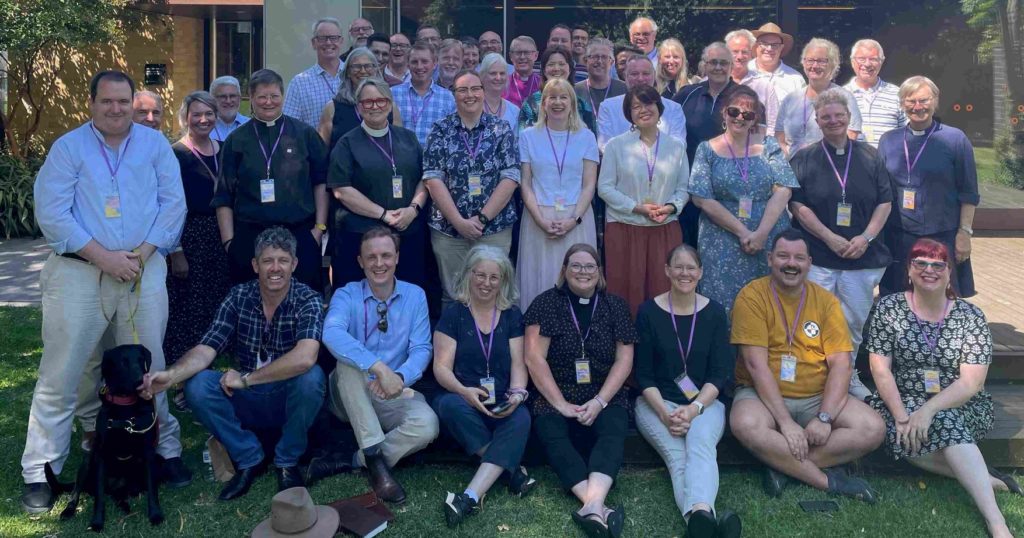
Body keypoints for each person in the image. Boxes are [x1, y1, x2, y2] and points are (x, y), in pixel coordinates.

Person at [22, 70, 189, 514]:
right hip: (80, 272)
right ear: (91, 103)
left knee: (151, 364)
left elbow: (174, 205)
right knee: (66, 370)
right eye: (107, 102)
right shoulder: (68, 148)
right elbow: (52, 214)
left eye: (123, 102)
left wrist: (141, 252)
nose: (116, 109)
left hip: (143, 269)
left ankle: (163, 450)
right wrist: (104, 257)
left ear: (133, 102)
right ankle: (41, 468)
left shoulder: (155, 146)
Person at [145, 227, 326, 499]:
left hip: (285, 396)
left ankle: (287, 460)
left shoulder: (308, 298)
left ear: (294, 265)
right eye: (267, 261)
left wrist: (245, 379)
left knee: (313, 377)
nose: (275, 268)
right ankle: (248, 457)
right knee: (196, 385)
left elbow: (305, 357)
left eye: (283, 261)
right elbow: (207, 348)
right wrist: (170, 376)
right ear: (255, 265)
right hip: (247, 397)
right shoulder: (238, 296)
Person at [866, 238, 1018, 538]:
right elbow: (880, 369)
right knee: (897, 431)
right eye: (920, 263)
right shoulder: (889, 308)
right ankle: (987, 480)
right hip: (903, 399)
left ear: (950, 273)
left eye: (938, 265)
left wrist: (929, 410)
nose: (929, 270)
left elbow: (972, 382)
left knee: (944, 421)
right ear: (909, 270)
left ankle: (995, 521)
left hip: (960, 402)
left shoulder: (969, 316)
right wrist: (900, 414)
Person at [729, 229, 885, 502]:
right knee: (745, 424)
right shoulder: (751, 297)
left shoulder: (826, 302)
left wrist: (825, 417)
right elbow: (756, 366)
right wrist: (786, 423)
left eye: (799, 258)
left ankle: (783, 465)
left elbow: (841, 365)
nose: (791, 263)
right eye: (783, 256)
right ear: (769, 259)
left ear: (809, 263)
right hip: (762, 395)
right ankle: (826, 481)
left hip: (816, 395)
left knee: (873, 428)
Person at [524, 243, 637, 538]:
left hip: (604, 393)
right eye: (575, 265)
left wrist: (600, 402)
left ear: (599, 273)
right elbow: (533, 357)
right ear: (564, 270)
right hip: (556, 391)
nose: (582, 272)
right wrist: (560, 403)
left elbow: (625, 360)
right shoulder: (546, 303)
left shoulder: (616, 306)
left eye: (589, 266)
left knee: (614, 427)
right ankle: (596, 504)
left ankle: (592, 504)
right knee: (551, 430)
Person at [322, 227, 439, 504]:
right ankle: (376, 465)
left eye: (386, 255)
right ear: (360, 261)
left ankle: (355, 459)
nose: (379, 263)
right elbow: (331, 333)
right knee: (348, 365)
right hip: (348, 395)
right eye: (371, 257)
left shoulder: (415, 296)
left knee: (427, 424)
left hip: (393, 390)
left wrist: (398, 376)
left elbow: (422, 348)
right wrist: (379, 368)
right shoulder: (346, 294)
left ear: (397, 258)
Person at [789, 88, 892, 401]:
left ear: (848, 117)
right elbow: (796, 205)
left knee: (852, 322)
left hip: (862, 256)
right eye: (826, 117)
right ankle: (815, 376)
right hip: (819, 254)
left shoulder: (871, 156)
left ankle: (847, 376)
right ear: (817, 121)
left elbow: (885, 202)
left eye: (838, 115)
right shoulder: (804, 157)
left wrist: (865, 237)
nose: (833, 121)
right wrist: (829, 237)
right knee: (812, 320)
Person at [634, 245, 740, 538]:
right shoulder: (647, 312)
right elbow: (643, 375)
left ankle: (700, 518)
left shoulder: (715, 313)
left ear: (701, 272)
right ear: (667, 270)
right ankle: (705, 518)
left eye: (691, 267)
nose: (685, 273)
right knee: (678, 458)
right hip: (656, 404)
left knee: (700, 447)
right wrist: (666, 414)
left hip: (704, 403)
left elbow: (720, 373)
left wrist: (694, 410)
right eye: (678, 267)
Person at [432, 245, 535, 526]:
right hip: (465, 398)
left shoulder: (512, 315)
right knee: (449, 405)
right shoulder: (454, 313)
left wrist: (516, 395)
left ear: (503, 281)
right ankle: (508, 472)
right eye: (480, 275)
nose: (486, 283)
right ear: (468, 275)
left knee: (522, 415)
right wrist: (464, 392)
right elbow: (440, 367)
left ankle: (468, 497)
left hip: (502, 399)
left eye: (494, 277)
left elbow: (518, 364)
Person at [214, 69, 329, 290]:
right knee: (251, 306)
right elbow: (224, 195)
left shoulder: (304, 134)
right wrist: (229, 242)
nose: (269, 102)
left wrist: (319, 229)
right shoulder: (236, 140)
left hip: (300, 234)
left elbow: (321, 182)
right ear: (251, 99)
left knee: (303, 302)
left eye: (274, 96)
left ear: (282, 97)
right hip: (251, 237)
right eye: (262, 97)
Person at [689, 85, 797, 317]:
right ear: (724, 112)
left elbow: (784, 189)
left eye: (748, 114)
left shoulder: (768, 145)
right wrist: (743, 232)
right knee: (724, 304)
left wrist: (760, 233)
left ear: (755, 119)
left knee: (769, 306)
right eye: (734, 111)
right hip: (722, 240)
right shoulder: (706, 150)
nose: (740, 118)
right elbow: (701, 198)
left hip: (767, 235)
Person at [423, 70, 521, 302]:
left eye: (475, 89)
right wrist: (458, 222)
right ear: (453, 95)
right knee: (454, 294)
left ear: (483, 92)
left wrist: (482, 219)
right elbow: (432, 178)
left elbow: (510, 177)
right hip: (448, 230)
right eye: (462, 90)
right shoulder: (440, 130)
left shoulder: (501, 129)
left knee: (494, 292)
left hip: (494, 228)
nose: (470, 95)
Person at [877, 76, 978, 297]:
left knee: (942, 296)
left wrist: (964, 233)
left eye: (924, 100)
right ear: (902, 104)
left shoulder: (955, 139)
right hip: (898, 235)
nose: (917, 107)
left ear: (935, 101)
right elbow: (880, 191)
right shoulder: (888, 141)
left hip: (942, 235)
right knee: (898, 296)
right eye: (910, 101)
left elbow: (969, 193)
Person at [327, 78, 429, 291]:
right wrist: (383, 214)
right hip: (361, 237)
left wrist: (413, 209)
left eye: (381, 101)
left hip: (408, 234)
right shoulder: (346, 143)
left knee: (408, 296)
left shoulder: (408, 139)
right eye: (368, 102)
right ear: (359, 107)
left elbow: (425, 178)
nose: (375, 106)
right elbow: (341, 190)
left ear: (390, 104)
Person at [599, 85, 689, 316]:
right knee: (624, 294)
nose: (643, 110)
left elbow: (684, 189)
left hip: (664, 228)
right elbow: (604, 188)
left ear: (658, 107)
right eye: (635, 106)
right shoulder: (616, 146)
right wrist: (637, 208)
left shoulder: (676, 147)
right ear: (629, 114)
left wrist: (670, 207)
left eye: (648, 103)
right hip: (625, 228)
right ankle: (625, 348)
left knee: (662, 293)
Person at [518, 78, 600, 310]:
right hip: (538, 219)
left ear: (573, 104)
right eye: (551, 97)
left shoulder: (586, 137)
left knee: (578, 278)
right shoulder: (528, 137)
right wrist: (540, 220)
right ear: (543, 104)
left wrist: (573, 220)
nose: (557, 102)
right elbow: (525, 183)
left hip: (577, 218)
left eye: (563, 97)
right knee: (540, 281)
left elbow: (589, 184)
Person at [164, 91, 232, 368]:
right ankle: (183, 376)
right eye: (197, 114)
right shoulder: (175, 154)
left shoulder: (225, 148)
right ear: (186, 117)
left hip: (222, 234)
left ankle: (211, 365)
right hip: (189, 237)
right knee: (188, 308)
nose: (203, 120)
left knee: (216, 304)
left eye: (209, 114)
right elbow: (168, 205)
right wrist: (176, 250)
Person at [673, 43, 738, 249]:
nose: (718, 67)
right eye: (713, 62)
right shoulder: (687, 94)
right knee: (689, 245)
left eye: (723, 63)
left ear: (731, 66)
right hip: (689, 184)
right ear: (704, 65)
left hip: (728, 188)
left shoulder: (744, 96)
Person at [776, 38, 862, 157]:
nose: (815, 65)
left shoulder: (845, 97)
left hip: (830, 167)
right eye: (810, 60)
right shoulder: (791, 99)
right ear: (804, 63)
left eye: (821, 61)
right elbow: (780, 137)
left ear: (833, 64)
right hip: (794, 169)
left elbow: (851, 135)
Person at [317, 47, 402, 152]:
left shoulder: (389, 107)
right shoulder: (332, 108)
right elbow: (320, 150)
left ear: (376, 70)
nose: (362, 71)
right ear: (347, 72)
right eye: (356, 67)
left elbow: (399, 146)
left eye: (368, 66)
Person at [597, 55, 686, 153]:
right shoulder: (608, 107)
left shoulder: (674, 108)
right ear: (625, 76)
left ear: (654, 75)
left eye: (646, 73)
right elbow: (605, 146)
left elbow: (679, 144)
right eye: (634, 74)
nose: (640, 79)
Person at [283, 18, 345, 128]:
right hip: (315, 144)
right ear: (313, 43)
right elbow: (290, 125)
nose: (328, 42)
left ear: (341, 41)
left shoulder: (355, 75)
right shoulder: (299, 83)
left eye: (333, 38)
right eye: (322, 38)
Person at [844, 39, 907, 148]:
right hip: (852, 163)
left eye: (873, 59)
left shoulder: (898, 94)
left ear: (881, 62)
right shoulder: (839, 96)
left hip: (887, 163)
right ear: (852, 61)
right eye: (861, 59)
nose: (867, 64)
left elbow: (907, 134)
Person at [517, 46, 595, 132]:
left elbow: (592, 138)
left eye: (561, 64)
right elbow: (523, 139)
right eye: (551, 64)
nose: (556, 69)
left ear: (570, 69)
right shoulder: (531, 104)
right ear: (544, 70)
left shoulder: (582, 105)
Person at [391, 42, 457, 146]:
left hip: (434, 159)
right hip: (402, 158)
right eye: (414, 62)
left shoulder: (448, 98)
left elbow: (452, 135)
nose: (419, 66)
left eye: (424, 61)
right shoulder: (393, 94)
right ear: (408, 64)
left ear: (434, 64)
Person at [724, 29, 779, 134]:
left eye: (744, 52)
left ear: (751, 54)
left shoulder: (764, 85)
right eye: (735, 52)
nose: (739, 57)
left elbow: (773, 124)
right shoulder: (713, 84)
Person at [748, 22, 805, 106]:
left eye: (775, 45)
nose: (769, 48)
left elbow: (802, 111)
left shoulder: (795, 79)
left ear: (781, 48)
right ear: (756, 45)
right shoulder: (743, 73)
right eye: (764, 43)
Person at [574, 38, 627, 122]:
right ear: (585, 60)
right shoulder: (575, 90)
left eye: (604, 57)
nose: (599, 61)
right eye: (595, 57)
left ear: (612, 62)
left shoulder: (624, 89)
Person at [479, 53, 522, 136]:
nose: (498, 78)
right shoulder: (472, 107)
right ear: (483, 76)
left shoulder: (514, 111)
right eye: (493, 73)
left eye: (502, 73)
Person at [504, 36, 541, 108]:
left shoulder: (543, 84)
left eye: (527, 53)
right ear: (511, 56)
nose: (522, 57)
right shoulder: (502, 84)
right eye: (518, 53)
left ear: (536, 55)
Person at [210, 76, 251, 142]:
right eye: (222, 96)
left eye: (232, 96)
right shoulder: (205, 126)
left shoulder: (251, 125)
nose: (228, 101)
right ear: (212, 99)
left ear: (239, 98)